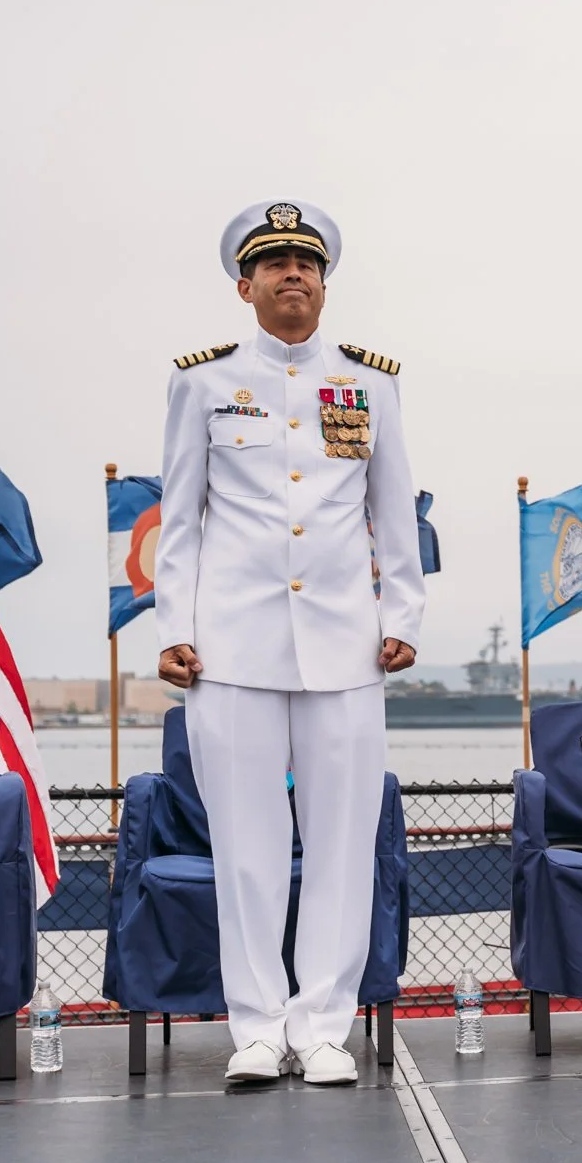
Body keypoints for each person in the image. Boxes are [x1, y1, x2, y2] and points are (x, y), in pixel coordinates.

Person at [154, 201, 425, 1086]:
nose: (293, 274)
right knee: (246, 845)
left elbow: (393, 512)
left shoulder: (370, 383)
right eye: (273, 263)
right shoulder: (201, 383)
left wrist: (402, 620)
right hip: (232, 650)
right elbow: (182, 520)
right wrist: (174, 630)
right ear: (246, 284)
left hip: (346, 648)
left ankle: (321, 1027)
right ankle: (258, 1028)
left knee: (344, 843)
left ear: (324, 280)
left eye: (306, 262)